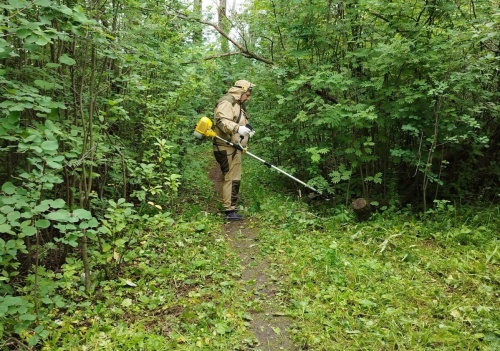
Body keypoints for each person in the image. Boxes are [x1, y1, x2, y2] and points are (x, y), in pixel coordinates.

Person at [213, 80, 256, 221]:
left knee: (234, 176)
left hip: (234, 146)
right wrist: (238, 129)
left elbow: (239, 122)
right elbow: (221, 121)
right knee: (230, 177)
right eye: (247, 94)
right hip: (225, 147)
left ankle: (231, 205)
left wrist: (248, 129)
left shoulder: (238, 105)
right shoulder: (227, 102)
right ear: (240, 91)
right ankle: (229, 210)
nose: (248, 98)